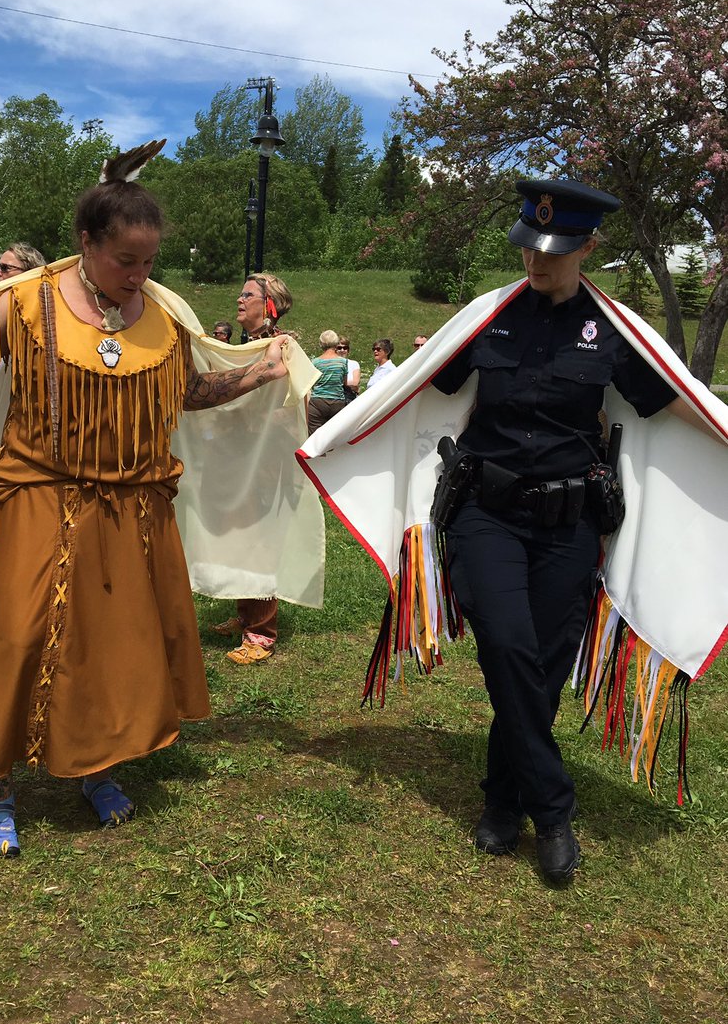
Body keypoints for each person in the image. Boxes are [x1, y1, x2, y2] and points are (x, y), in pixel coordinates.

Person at [0, 146, 295, 858]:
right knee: (17, 638)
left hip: (136, 508)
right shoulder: (25, 305)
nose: (138, 275)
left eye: (146, 260)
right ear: (86, 243)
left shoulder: (161, 320)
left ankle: (97, 768)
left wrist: (261, 373)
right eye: (124, 260)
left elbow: (189, 393)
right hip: (39, 499)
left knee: (111, 645)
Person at [298, 177, 727, 884]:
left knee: (543, 667)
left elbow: (669, 400)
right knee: (505, 644)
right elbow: (418, 383)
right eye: (529, 247)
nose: (537, 262)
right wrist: (339, 425)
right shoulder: (485, 319)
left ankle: (503, 800)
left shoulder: (612, 333)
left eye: (554, 252)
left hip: (569, 524)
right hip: (484, 514)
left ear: (589, 247)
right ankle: (553, 812)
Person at [212, 272, 295, 664]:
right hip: (240, 457)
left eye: (248, 295)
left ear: (269, 305)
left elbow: (295, 404)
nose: (239, 300)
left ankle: (261, 633)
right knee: (243, 535)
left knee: (259, 540)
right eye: (240, 293)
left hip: (265, 461)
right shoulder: (245, 348)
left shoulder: (285, 348)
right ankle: (246, 614)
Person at [307, 330, 348, 433]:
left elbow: (311, 383)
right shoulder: (343, 362)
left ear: (321, 343)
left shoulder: (315, 362)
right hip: (337, 402)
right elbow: (344, 382)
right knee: (334, 435)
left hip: (318, 402)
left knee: (314, 437)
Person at [335, 335, 360, 401]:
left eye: (345, 348)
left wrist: (340, 383)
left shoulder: (354, 364)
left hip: (350, 397)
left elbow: (355, 383)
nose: (342, 350)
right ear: (335, 350)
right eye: (339, 348)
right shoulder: (332, 364)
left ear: (348, 350)